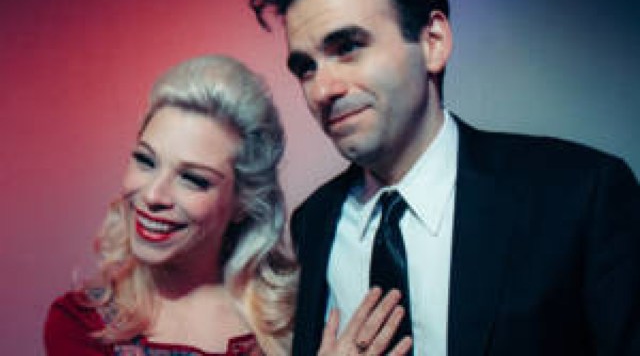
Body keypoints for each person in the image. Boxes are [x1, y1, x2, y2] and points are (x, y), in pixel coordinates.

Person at [249, 0, 640, 355]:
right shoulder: (314, 222)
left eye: (348, 47)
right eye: (305, 68)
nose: (323, 89)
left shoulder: (579, 194)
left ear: (433, 42)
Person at [43, 55, 410, 356]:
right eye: (145, 160)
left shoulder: (302, 312)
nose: (153, 195)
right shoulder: (80, 323)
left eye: (193, 179)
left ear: (242, 203)